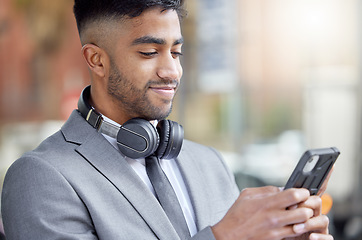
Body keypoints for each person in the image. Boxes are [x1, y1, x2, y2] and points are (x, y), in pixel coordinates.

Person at [1, 0, 332, 239]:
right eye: (149, 53)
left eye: (176, 52)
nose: (172, 71)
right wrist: (223, 238)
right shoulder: (39, 177)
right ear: (96, 60)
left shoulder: (209, 163)